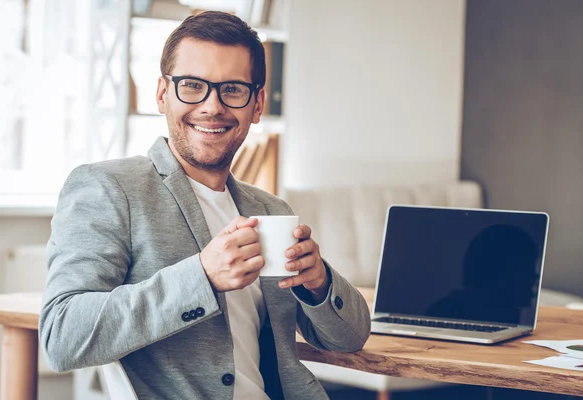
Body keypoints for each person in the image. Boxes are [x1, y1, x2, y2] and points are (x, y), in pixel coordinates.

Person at [38, 10, 371, 400]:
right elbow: (62, 336)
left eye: (232, 89)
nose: (212, 106)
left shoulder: (270, 210)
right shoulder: (109, 188)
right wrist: (201, 277)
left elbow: (350, 338)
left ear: (257, 104)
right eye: (193, 86)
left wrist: (318, 283)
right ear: (163, 94)